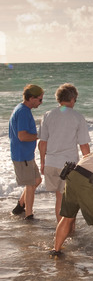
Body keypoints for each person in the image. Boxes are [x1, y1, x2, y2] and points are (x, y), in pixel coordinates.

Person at [38, 83, 90, 222]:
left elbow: (42, 143)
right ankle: (68, 232)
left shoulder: (47, 115)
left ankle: (61, 229)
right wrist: (89, 165)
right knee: (69, 200)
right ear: (72, 99)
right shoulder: (78, 117)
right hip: (68, 165)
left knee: (59, 198)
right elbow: (84, 145)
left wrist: (42, 163)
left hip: (51, 163)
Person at [9, 84, 44, 220]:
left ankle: (19, 206)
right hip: (21, 155)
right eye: (39, 100)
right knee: (30, 185)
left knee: (37, 180)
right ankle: (29, 215)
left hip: (26, 154)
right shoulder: (23, 112)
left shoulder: (23, 109)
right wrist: (40, 136)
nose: (41, 103)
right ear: (31, 98)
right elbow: (22, 136)